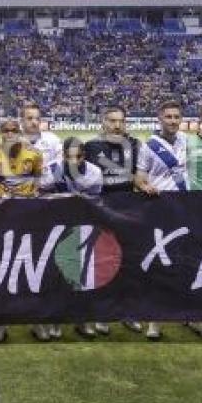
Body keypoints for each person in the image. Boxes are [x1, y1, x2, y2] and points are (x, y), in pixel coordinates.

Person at [136, 101, 202, 341]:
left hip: (186, 209)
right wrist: (144, 186)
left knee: (191, 263)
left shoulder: (186, 140)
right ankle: (154, 321)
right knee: (162, 264)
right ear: (159, 118)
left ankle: (193, 317)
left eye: (176, 117)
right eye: (168, 116)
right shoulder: (148, 146)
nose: (172, 120)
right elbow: (139, 177)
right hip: (160, 211)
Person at [0, 119, 43, 343]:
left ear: (20, 132)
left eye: (13, 130)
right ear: (0, 133)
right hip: (0, 222)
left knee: (33, 271)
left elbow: (38, 182)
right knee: (0, 271)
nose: (9, 134)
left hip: (28, 222)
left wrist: (35, 193)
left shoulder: (34, 155)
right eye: (5, 131)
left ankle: (37, 323)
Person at [83, 105, 143, 334]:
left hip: (129, 211)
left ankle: (128, 312)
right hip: (101, 212)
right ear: (103, 122)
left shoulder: (136, 146)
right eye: (111, 120)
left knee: (128, 263)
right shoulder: (91, 147)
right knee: (100, 264)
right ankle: (101, 313)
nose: (116, 125)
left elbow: (140, 174)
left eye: (120, 121)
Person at [50, 137, 103, 340]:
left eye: (78, 156)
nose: (74, 160)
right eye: (69, 156)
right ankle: (55, 321)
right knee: (57, 275)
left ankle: (83, 320)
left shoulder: (94, 173)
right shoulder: (53, 169)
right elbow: (42, 195)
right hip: (57, 227)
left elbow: (97, 203)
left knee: (84, 276)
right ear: (63, 155)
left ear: (84, 156)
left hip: (84, 227)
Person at [21, 103, 63, 193]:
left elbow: (62, 164)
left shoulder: (52, 139)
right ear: (22, 121)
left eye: (37, 119)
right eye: (29, 118)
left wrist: (44, 170)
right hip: (22, 195)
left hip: (50, 193)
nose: (34, 122)